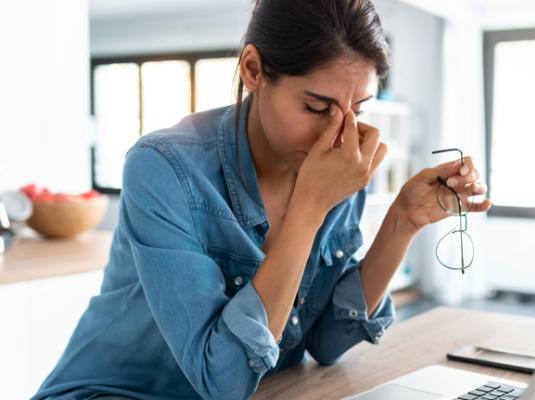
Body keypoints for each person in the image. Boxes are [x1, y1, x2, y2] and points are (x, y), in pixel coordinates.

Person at [33, 0, 491, 399]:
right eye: (316, 107)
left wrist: (402, 222)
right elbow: (223, 380)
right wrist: (308, 209)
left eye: (359, 110)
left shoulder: (338, 165)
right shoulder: (163, 167)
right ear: (253, 70)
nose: (341, 134)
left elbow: (328, 342)